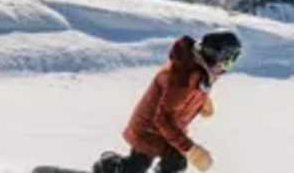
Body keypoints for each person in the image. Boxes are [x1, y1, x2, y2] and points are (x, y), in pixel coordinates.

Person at [94, 30, 243, 173]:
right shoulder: (184, 77)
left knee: (138, 166)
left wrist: (201, 101)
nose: (226, 67)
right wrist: (190, 149)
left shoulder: (195, 67)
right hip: (151, 129)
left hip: (164, 130)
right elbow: (163, 118)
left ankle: (112, 168)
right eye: (228, 60)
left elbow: (186, 93)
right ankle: (108, 167)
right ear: (215, 54)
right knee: (175, 160)